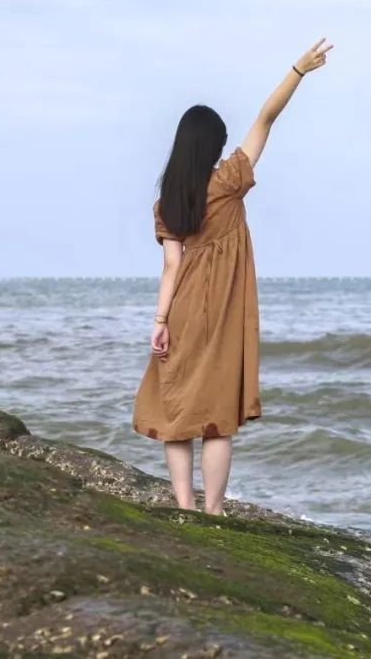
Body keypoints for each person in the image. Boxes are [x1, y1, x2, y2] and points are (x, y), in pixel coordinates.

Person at [133, 38, 334, 514]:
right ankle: (213, 510)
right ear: (214, 147)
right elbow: (266, 118)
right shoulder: (229, 182)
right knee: (217, 419)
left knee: (174, 410)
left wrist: (159, 322)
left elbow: (171, 266)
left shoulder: (169, 204)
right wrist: (297, 71)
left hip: (180, 310)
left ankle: (183, 506)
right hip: (222, 314)